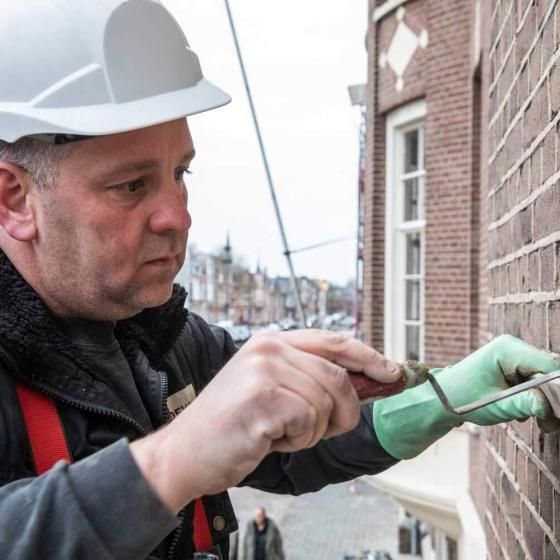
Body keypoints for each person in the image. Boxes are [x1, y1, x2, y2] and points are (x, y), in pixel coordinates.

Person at [0, 1, 558, 559]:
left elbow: (286, 445)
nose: (179, 216)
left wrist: (437, 400)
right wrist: (175, 457)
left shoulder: (163, 339)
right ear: (15, 200)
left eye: (180, 173)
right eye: (130, 185)